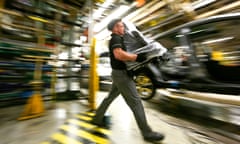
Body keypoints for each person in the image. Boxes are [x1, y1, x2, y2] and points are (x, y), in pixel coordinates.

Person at [91, 19, 165, 142]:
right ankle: (147, 133)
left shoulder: (120, 38)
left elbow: (125, 54)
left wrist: (145, 58)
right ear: (115, 28)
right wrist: (137, 57)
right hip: (122, 76)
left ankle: (97, 119)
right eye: (120, 26)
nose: (123, 28)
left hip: (118, 74)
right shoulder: (116, 38)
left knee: (109, 97)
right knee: (136, 104)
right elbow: (118, 54)